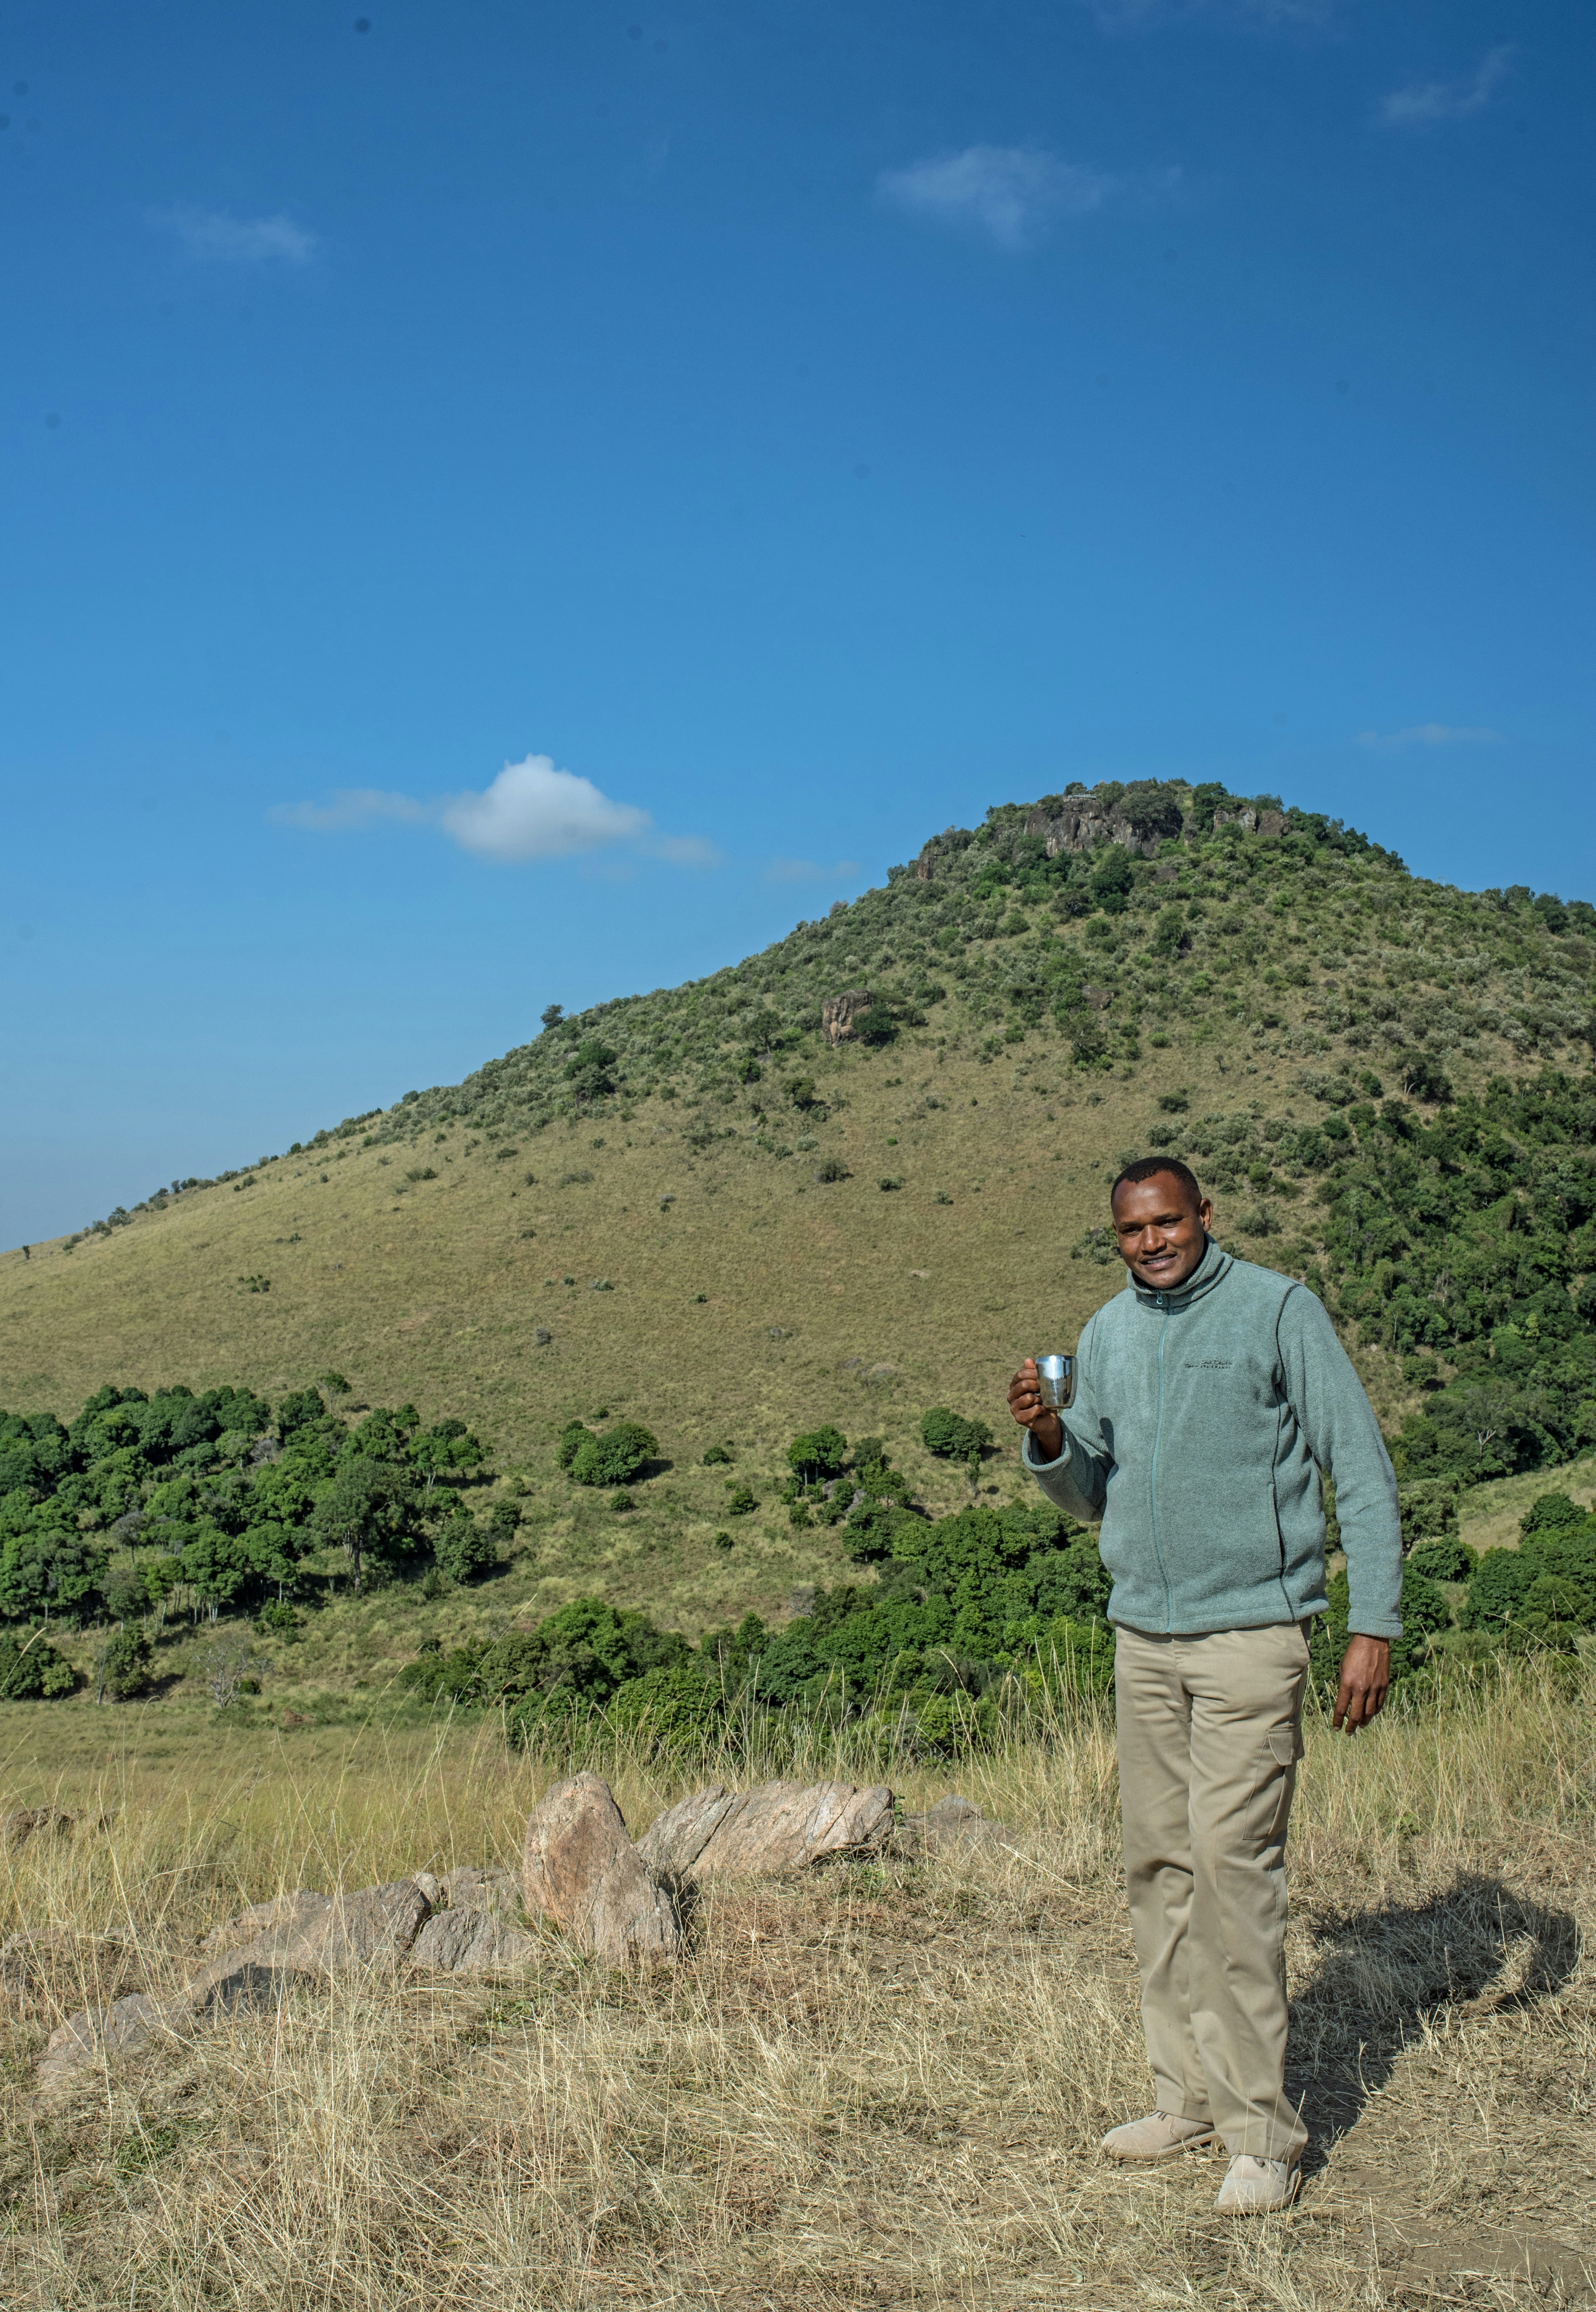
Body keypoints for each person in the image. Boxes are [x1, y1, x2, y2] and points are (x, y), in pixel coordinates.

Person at [1008, 1156, 1401, 2215]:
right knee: (1160, 1868)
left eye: (1167, 1221)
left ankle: (1260, 2133)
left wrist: (1374, 1620)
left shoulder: (1278, 1308)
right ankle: (1182, 2094)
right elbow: (1095, 1491)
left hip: (1252, 1637)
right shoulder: (1104, 1334)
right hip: (1143, 1638)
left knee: (1235, 1873)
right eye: (1132, 1230)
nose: (1152, 1242)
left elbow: (1355, 1462)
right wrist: (1047, 1436)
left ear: (1203, 1217)